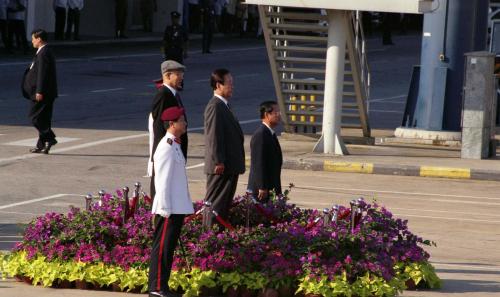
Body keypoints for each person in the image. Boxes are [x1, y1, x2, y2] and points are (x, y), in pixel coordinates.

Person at [148, 106, 194, 297]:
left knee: (169, 249)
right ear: (172, 124)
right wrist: (165, 208)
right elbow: (162, 181)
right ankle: (156, 288)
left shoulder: (174, 144)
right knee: (162, 249)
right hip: (168, 208)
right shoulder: (166, 147)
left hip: (176, 206)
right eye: (182, 120)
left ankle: (162, 286)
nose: (185, 123)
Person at [203, 68, 245, 227]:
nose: (232, 86)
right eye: (229, 83)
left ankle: (218, 236)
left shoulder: (224, 105)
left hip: (229, 166)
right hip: (221, 167)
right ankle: (209, 237)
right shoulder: (215, 106)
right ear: (218, 85)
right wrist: (218, 161)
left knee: (223, 207)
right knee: (215, 205)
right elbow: (214, 136)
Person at [149, 60, 188, 198]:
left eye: (182, 74)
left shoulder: (173, 94)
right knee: (163, 194)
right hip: (167, 154)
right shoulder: (163, 95)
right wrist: (166, 150)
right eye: (178, 74)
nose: (181, 77)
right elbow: (159, 127)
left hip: (174, 152)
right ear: (167, 75)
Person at [22, 29, 58, 154]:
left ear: (39, 39)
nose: (32, 41)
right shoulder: (43, 51)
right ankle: (42, 145)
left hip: (42, 93)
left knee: (34, 117)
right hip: (45, 92)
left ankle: (50, 138)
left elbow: (43, 74)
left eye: (33, 38)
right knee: (44, 118)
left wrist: (39, 91)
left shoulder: (44, 53)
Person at [247, 101, 283, 203]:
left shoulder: (270, 133)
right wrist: (262, 187)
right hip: (260, 191)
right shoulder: (261, 135)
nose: (279, 115)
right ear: (267, 115)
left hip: (269, 187)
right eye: (276, 112)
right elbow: (258, 163)